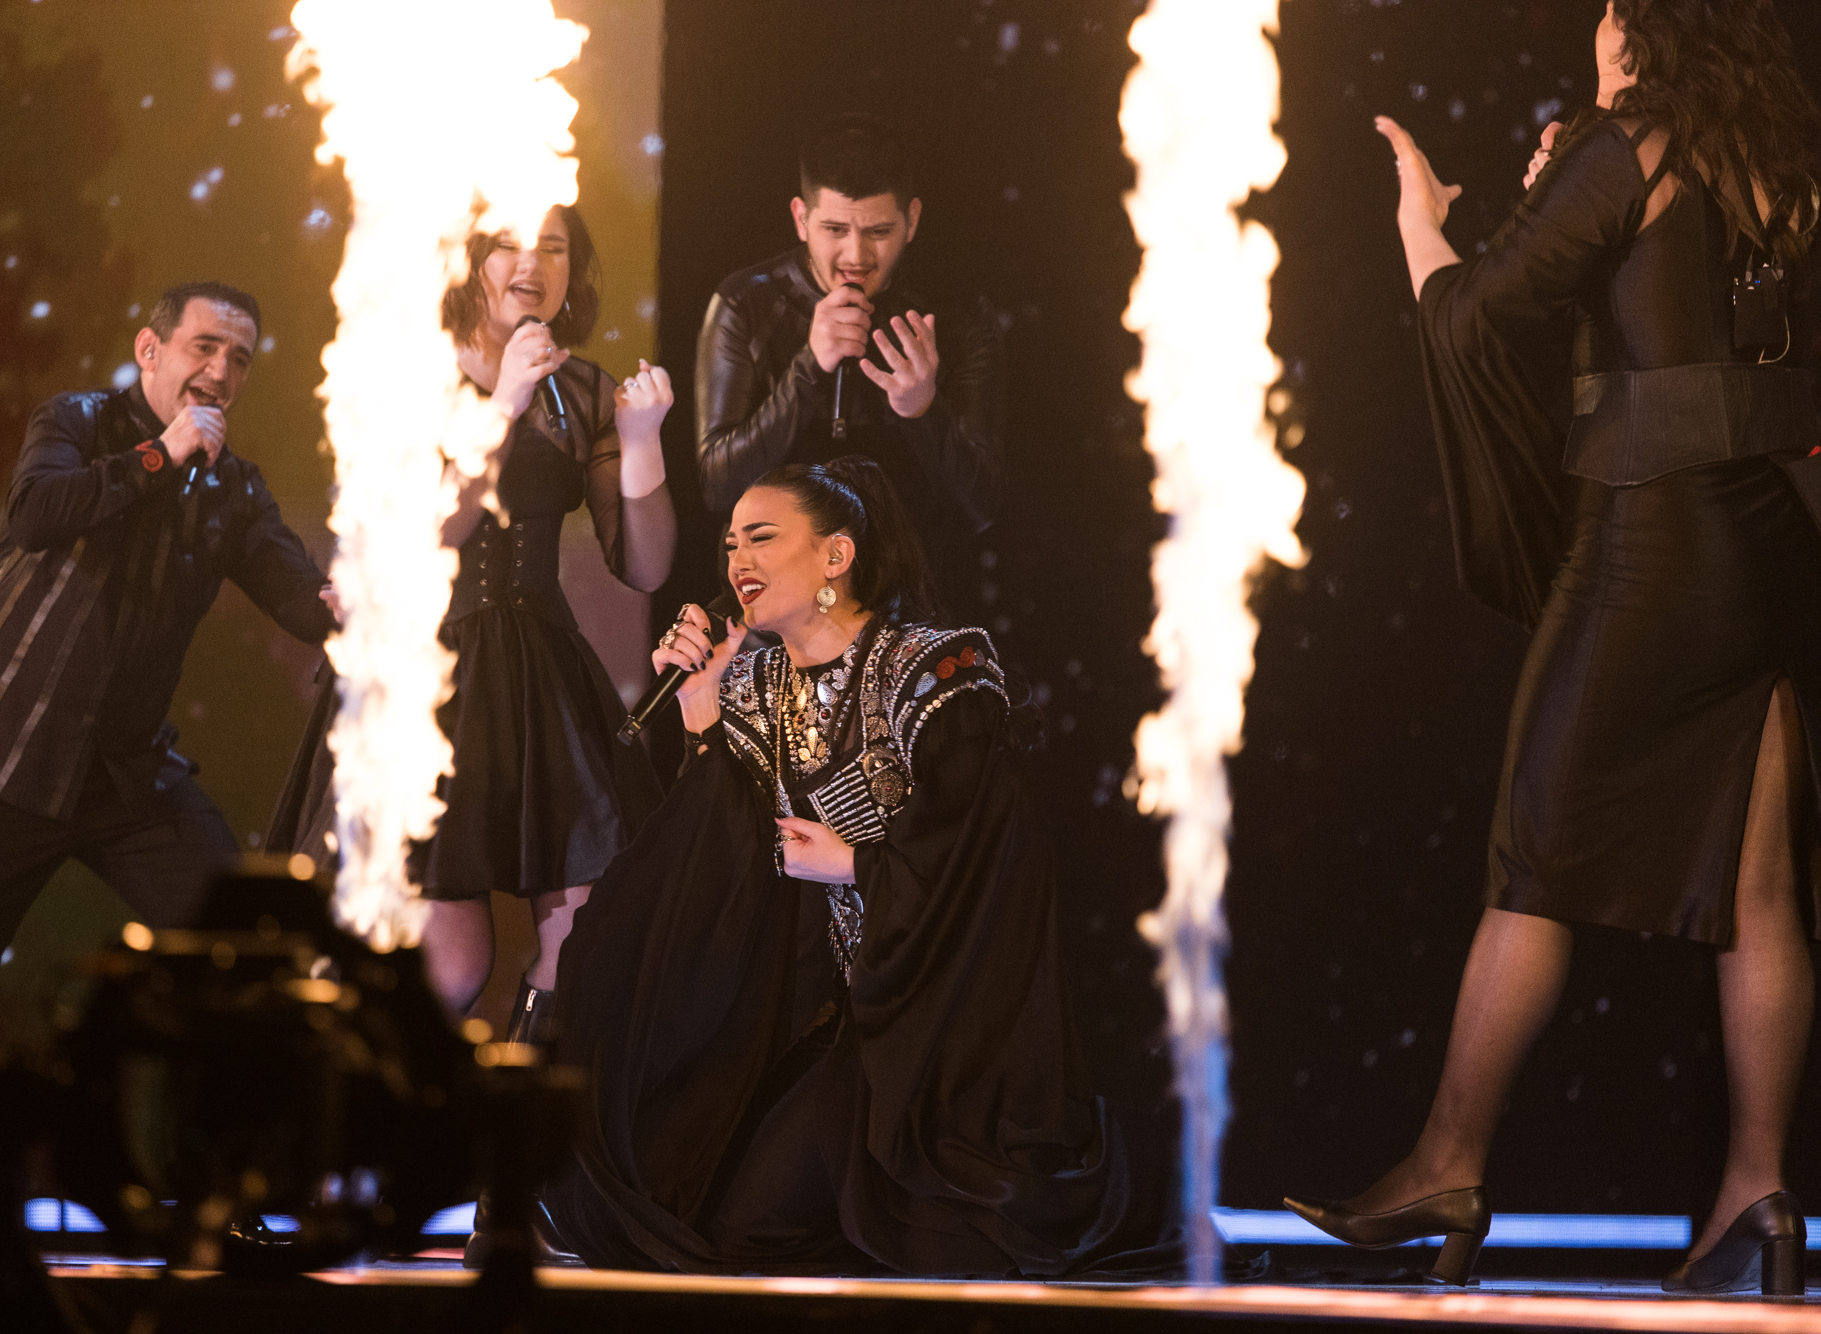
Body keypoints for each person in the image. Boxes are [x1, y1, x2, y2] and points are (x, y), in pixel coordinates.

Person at [1286, 0, 1821, 1296]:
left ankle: (1448, 1157)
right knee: (1758, 888)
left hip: (1651, 538)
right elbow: (1680, 332)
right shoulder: (1777, 147)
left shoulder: (1624, 142)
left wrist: (1423, 223)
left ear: (1639, 23)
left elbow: (1479, 321)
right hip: (1771, 541)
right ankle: (1757, 1193)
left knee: (1533, 855)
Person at [537, 456, 1178, 1277]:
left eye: (763, 538)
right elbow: (718, 868)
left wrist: (853, 863)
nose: (738, 562)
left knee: (958, 1235)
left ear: (836, 556)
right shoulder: (759, 683)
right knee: (734, 1223)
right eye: (731, 542)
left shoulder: (940, 672)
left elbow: (994, 866)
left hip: (956, 1019)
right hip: (855, 1017)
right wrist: (700, 715)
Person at [0, 282, 337, 1259]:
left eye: (240, 358)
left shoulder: (234, 487)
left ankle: (221, 1199)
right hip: (4, 758)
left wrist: (350, 600)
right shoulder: (74, 423)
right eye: (205, 345)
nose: (221, 371)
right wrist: (161, 457)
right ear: (150, 350)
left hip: (128, 781)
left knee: (235, 964)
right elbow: (39, 512)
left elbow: (297, 593)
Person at [270, 204, 676, 1046]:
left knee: (585, 939)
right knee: (450, 965)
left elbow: (644, 566)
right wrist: (505, 400)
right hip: (428, 674)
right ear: (471, 261)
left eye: (556, 248)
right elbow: (425, 538)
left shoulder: (585, 389)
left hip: (538, 676)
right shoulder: (409, 368)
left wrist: (640, 444)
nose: (534, 265)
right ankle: (376, 1147)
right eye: (512, 247)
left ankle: (514, 1167)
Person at [694, 113, 1003, 601]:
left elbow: (983, 508)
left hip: (909, 614)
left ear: (913, 221)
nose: (855, 254)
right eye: (834, 229)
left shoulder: (957, 316)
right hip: (778, 613)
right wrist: (808, 366)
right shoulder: (748, 303)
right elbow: (718, 487)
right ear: (801, 218)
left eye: (878, 231)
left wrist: (924, 411)